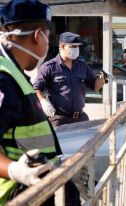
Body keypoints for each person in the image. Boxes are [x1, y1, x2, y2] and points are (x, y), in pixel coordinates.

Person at [0, 1, 80, 205]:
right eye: (48, 38)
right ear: (38, 35)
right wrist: (13, 170)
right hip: (21, 195)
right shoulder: (4, 79)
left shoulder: (13, 72)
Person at [33, 32, 106, 127]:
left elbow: (95, 86)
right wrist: (43, 101)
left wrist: (105, 78)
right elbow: (36, 88)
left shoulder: (82, 66)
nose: (76, 50)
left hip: (81, 118)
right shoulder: (49, 67)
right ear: (62, 46)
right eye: (73, 46)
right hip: (59, 119)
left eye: (77, 47)